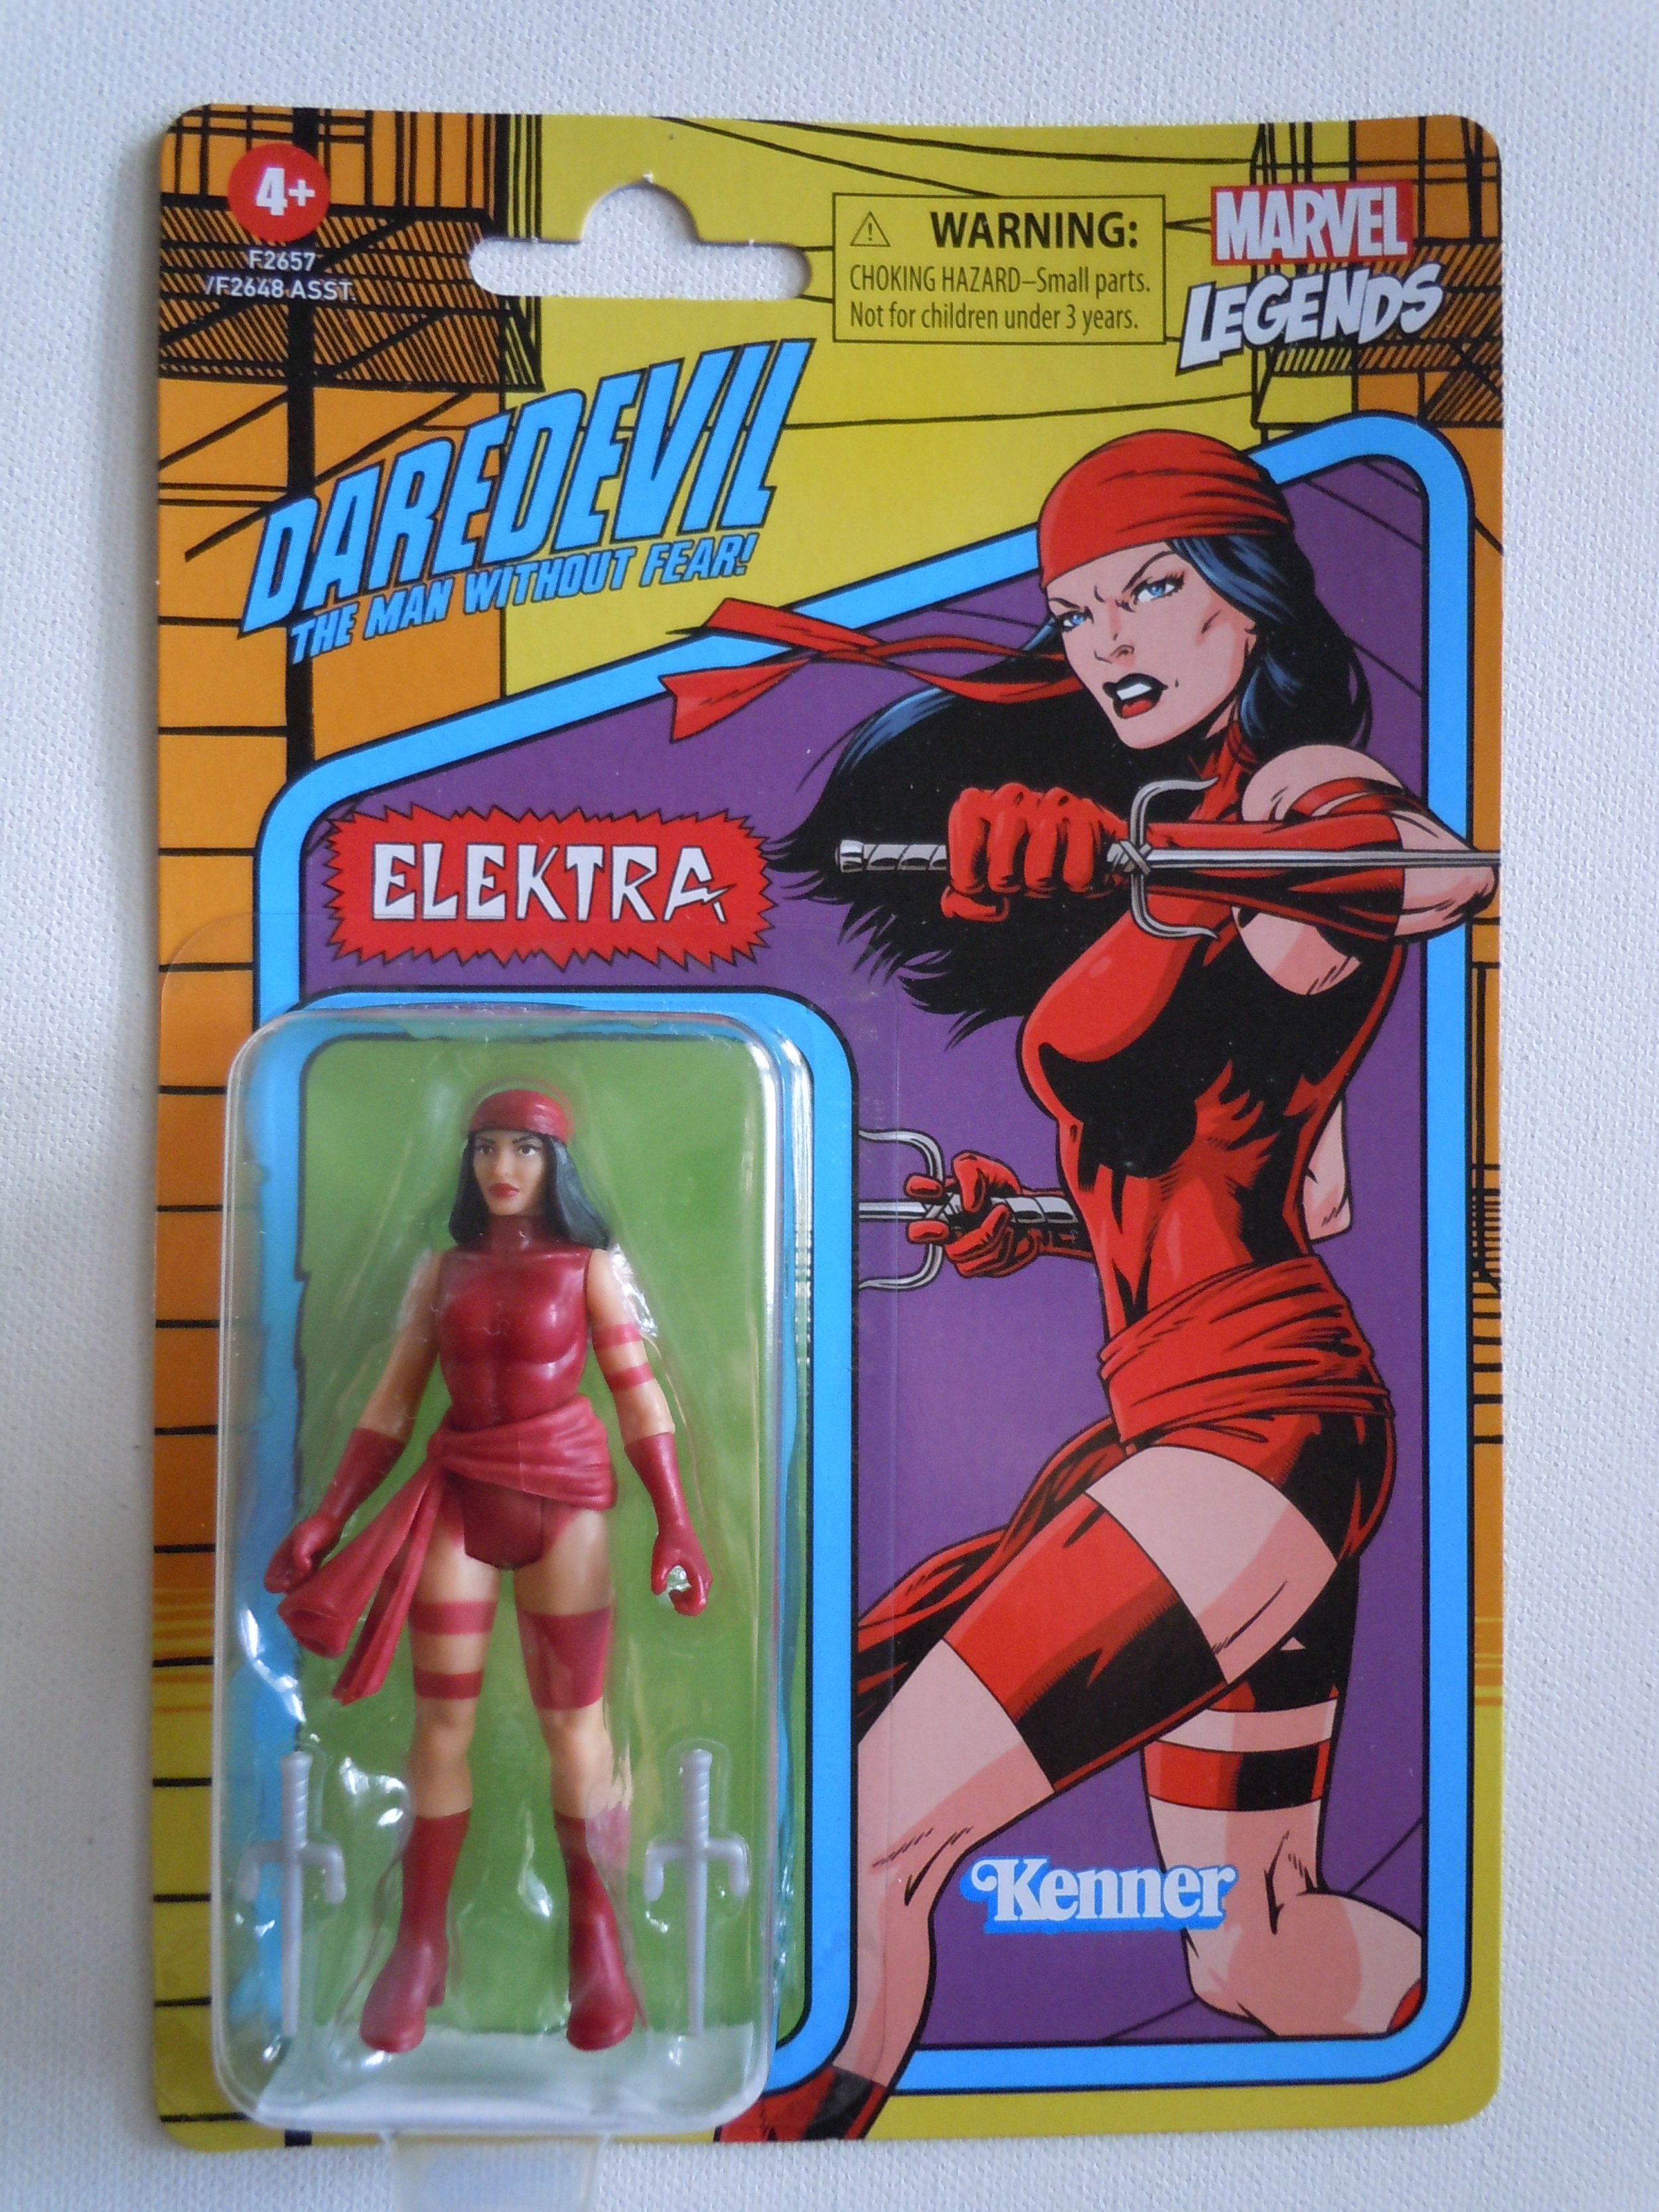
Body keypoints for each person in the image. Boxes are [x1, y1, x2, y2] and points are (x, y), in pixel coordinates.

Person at [663, 429, 1494, 2138]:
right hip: (1214, 1434)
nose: (1106, 635)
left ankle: (751, 2162)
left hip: (1248, 1442)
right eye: (1073, 608)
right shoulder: (1190, 834)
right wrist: (1027, 1223)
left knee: (870, 1831)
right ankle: (1514, 2013)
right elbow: (1290, 1191)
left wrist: (1176, 870)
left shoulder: (1295, 791)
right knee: (1254, 1950)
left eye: (1151, 585)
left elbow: (1442, 876)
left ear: (1250, 599)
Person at [264, 1089, 710, 2055]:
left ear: (557, 1164)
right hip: (462, 1493)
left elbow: (640, 1396)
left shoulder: (590, 1268)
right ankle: (420, 1941)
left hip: (564, 1499)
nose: (503, 1168)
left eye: (526, 1149)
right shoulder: (442, 1270)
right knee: (441, 1723)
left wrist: (676, 1522)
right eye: (487, 1148)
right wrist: (329, 1515)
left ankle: (598, 1936)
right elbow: (392, 1402)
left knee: (576, 1727)